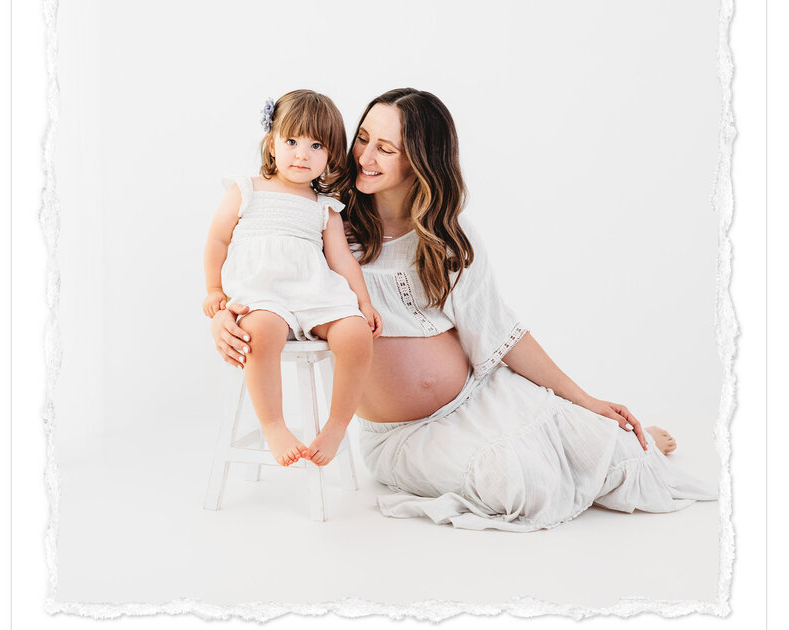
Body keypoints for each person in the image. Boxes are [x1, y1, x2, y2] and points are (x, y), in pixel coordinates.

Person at [211, 88, 716, 531]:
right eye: (363, 138)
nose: (364, 155)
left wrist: (586, 399)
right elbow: (260, 272)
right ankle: (574, 460)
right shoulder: (323, 221)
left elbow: (500, 330)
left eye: (387, 148)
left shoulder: (447, 236)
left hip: (481, 395)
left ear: (421, 162)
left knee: (614, 445)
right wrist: (220, 314)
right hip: (403, 435)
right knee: (520, 487)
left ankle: (617, 444)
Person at [203, 89, 381, 468]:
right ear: (271, 145)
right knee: (261, 331)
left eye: (316, 145)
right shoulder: (246, 190)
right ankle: (273, 424)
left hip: (313, 293)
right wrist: (214, 290)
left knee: (354, 335)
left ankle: (336, 426)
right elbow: (217, 240)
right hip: (262, 292)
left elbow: (343, 263)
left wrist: (363, 303)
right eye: (292, 141)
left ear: (330, 155)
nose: (302, 153)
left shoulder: (325, 209)